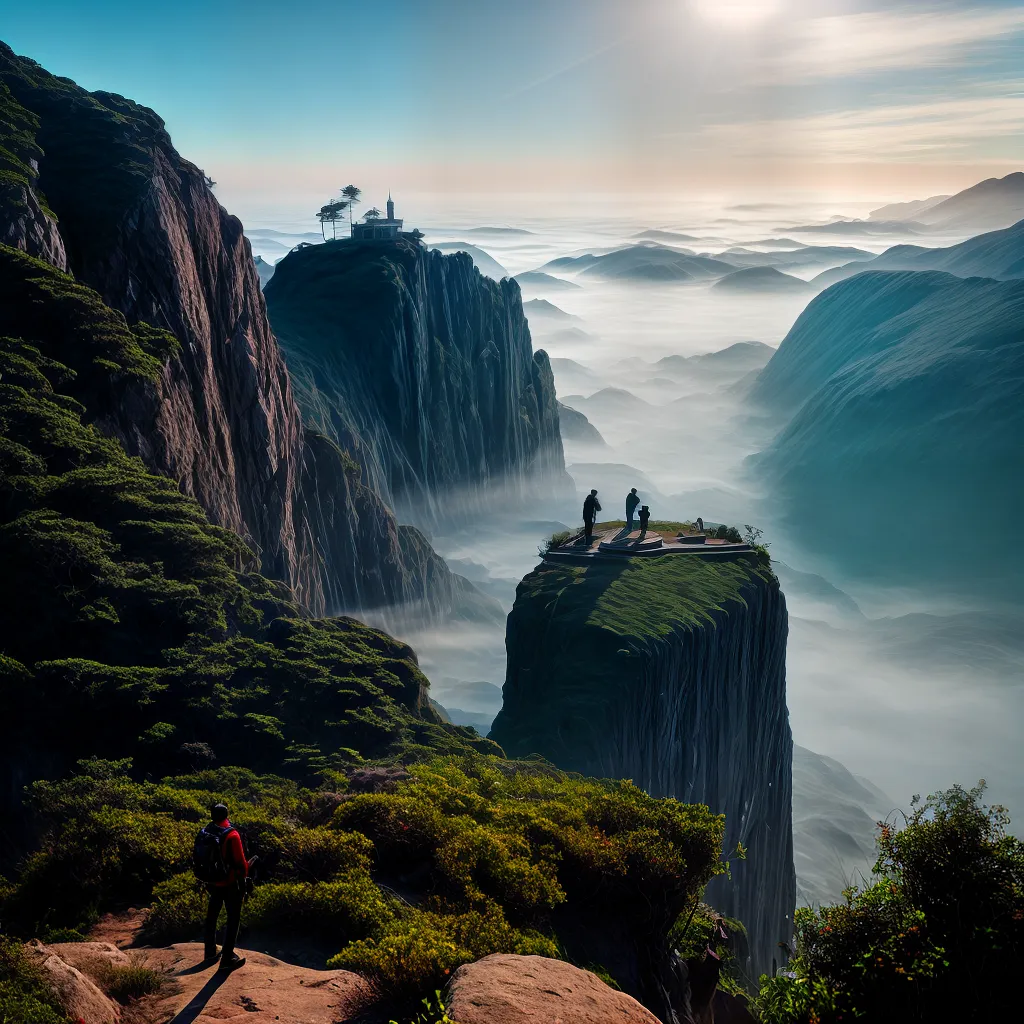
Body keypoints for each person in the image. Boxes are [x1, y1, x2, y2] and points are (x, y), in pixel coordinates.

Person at [202, 803, 249, 971]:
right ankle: (227, 958)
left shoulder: (207, 830)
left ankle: (209, 952)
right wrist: (244, 878)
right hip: (230, 883)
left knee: (212, 916)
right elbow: (241, 865)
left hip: (212, 881)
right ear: (227, 815)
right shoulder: (232, 834)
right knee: (233, 919)